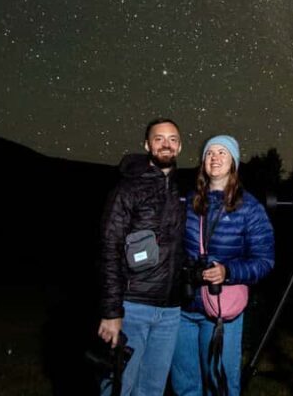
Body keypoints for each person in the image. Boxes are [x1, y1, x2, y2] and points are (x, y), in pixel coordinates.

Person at [171, 135, 275, 396]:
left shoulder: (250, 208)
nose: (215, 158)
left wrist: (228, 272)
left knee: (220, 385)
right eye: (209, 153)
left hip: (219, 310)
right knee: (184, 385)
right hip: (183, 306)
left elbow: (265, 261)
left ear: (234, 163)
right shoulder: (189, 201)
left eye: (222, 153)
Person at [97, 118, 185, 396]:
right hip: (133, 307)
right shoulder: (128, 188)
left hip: (170, 311)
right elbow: (109, 248)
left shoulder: (182, 190)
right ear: (147, 145)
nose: (166, 144)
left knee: (152, 390)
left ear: (180, 146)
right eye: (158, 139)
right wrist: (111, 312)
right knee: (119, 387)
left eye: (172, 139)